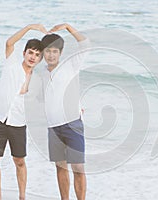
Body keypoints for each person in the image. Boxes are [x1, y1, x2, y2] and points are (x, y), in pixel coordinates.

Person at [0, 24, 47, 200]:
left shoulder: (38, 79)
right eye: (30, 53)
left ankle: (22, 196)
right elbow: (9, 43)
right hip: (0, 118)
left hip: (19, 122)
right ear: (24, 53)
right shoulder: (11, 64)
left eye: (37, 55)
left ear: (40, 59)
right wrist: (30, 27)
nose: (33, 57)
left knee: (19, 161)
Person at [40, 23, 90, 200]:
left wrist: (68, 27)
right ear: (43, 53)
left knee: (78, 168)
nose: (51, 55)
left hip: (72, 124)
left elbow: (85, 44)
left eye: (54, 51)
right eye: (47, 51)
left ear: (60, 53)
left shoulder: (71, 65)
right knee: (60, 168)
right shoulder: (43, 72)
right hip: (53, 128)